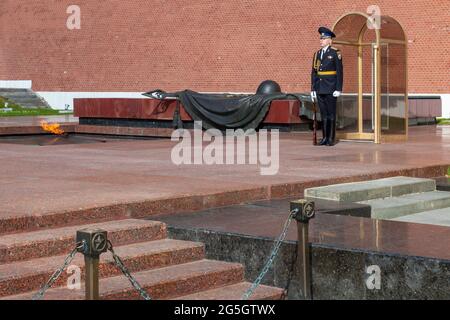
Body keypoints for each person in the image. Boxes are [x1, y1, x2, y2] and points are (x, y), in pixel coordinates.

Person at [311, 27, 343, 146]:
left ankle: (331, 138)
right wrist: (313, 89)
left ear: (330, 40)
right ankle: (324, 137)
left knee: (331, 114)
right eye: (321, 38)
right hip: (320, 88)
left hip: (331, 87)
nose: (321, 41)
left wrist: (338, 88)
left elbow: (339, 72)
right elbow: (314, 72)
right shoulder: (317, 54)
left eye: (324, 39)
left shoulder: (335, 53)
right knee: (323, 114)